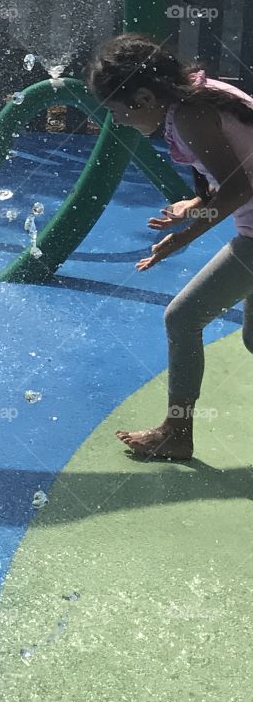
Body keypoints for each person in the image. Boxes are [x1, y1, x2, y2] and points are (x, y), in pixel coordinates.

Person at [88, 32, 253, 460]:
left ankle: (175, 433)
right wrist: (195, 204)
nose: (117, 122)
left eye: (117, 112)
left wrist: (181, 239)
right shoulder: (198, 95)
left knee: (182, 318)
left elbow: (238, 188)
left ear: (143, 98)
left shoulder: (189, 115)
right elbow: (235, 171)